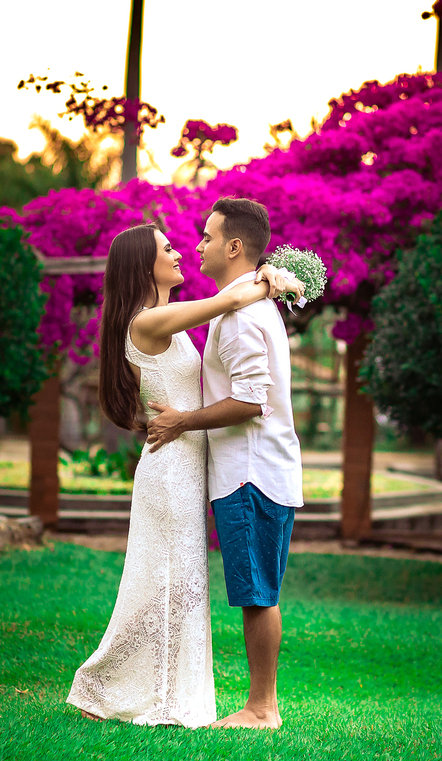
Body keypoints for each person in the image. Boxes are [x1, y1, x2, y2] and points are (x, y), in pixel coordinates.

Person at [65, 221, 302, 728]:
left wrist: (265, 275)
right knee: (168, 582)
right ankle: (114, 687)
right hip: (172, 468)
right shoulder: (147, 321)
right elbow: (225, 304)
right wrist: (268, 279)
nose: (182, 252)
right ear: (142, 266)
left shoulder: (162, 319)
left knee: (177, 584)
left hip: (190, 462)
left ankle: (154, 691)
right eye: (167, 248)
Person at [146, 198, 303, 730]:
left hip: (250, 473)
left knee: (257, 592)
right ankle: (261, 704)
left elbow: (252, 400)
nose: (198, 246)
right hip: (256, 469)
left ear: (233, 246)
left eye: (208, 237)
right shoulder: (246, 303)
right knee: (257, 589)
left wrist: (182, 421)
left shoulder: (238, 317)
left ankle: (261, 708)